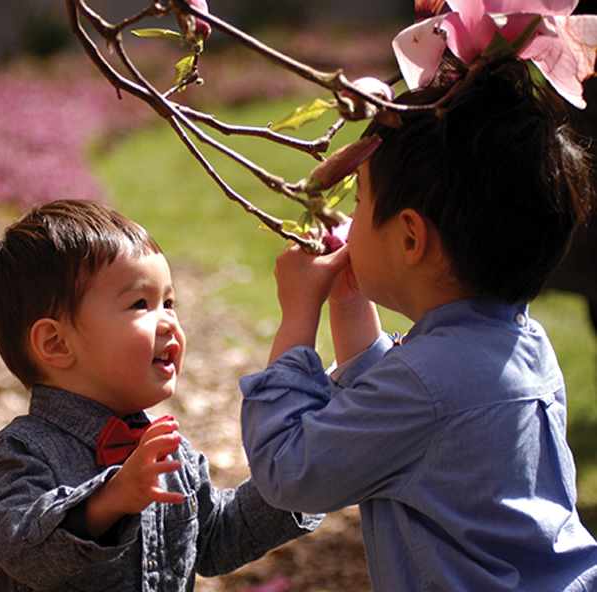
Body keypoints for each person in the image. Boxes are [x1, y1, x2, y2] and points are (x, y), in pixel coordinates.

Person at [240, 56, 597, 592]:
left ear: (410, 237)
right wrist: (348, 304)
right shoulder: (520, 346)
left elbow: (287, 471)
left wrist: (299, 315)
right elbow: (400, 413)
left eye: (360, 201)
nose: (352, 219)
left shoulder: (428, 385)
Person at [0, 199, 321, 592]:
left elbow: (217, 540)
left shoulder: (170, 452)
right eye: (141, 304)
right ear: (56, 343)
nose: (169, 320)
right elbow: (21, 549)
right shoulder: (24, 451)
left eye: (169, 302)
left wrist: (303, 470)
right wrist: (110, 499)